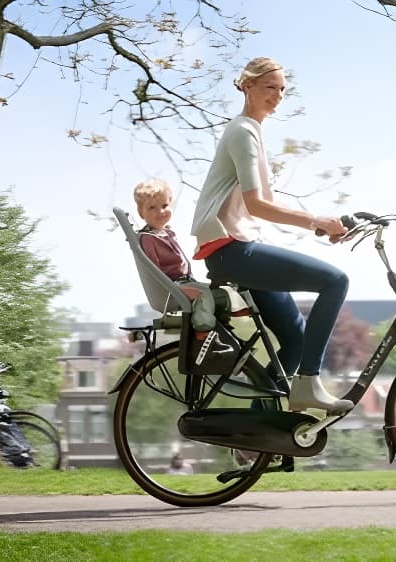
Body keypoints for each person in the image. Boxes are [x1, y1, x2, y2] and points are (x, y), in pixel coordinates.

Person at [190, 56, 352, 414]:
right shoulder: (242, 131)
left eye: (282, 89)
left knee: (294, 338)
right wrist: (316, 221)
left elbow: (258, 206)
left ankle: (256, 428)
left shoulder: (252, 132)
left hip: (239, 246)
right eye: (269, 87)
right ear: (247, 85)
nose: (277, 95)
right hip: (229, 250)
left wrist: (324, 225)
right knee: (336, 281)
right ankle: (308, 383)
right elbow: (258, 204)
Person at [134, 178, 224, 337]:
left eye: (164, 206)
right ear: (141, 212)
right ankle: (203, 330)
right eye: (152, 208)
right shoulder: (148, 238)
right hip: (171, 286)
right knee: (202, 293)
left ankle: (222, 328)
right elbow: (154, 273)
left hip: (184, 280)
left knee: (221, 292)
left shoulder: (167, 233)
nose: (160, 212)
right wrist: (177, 289)